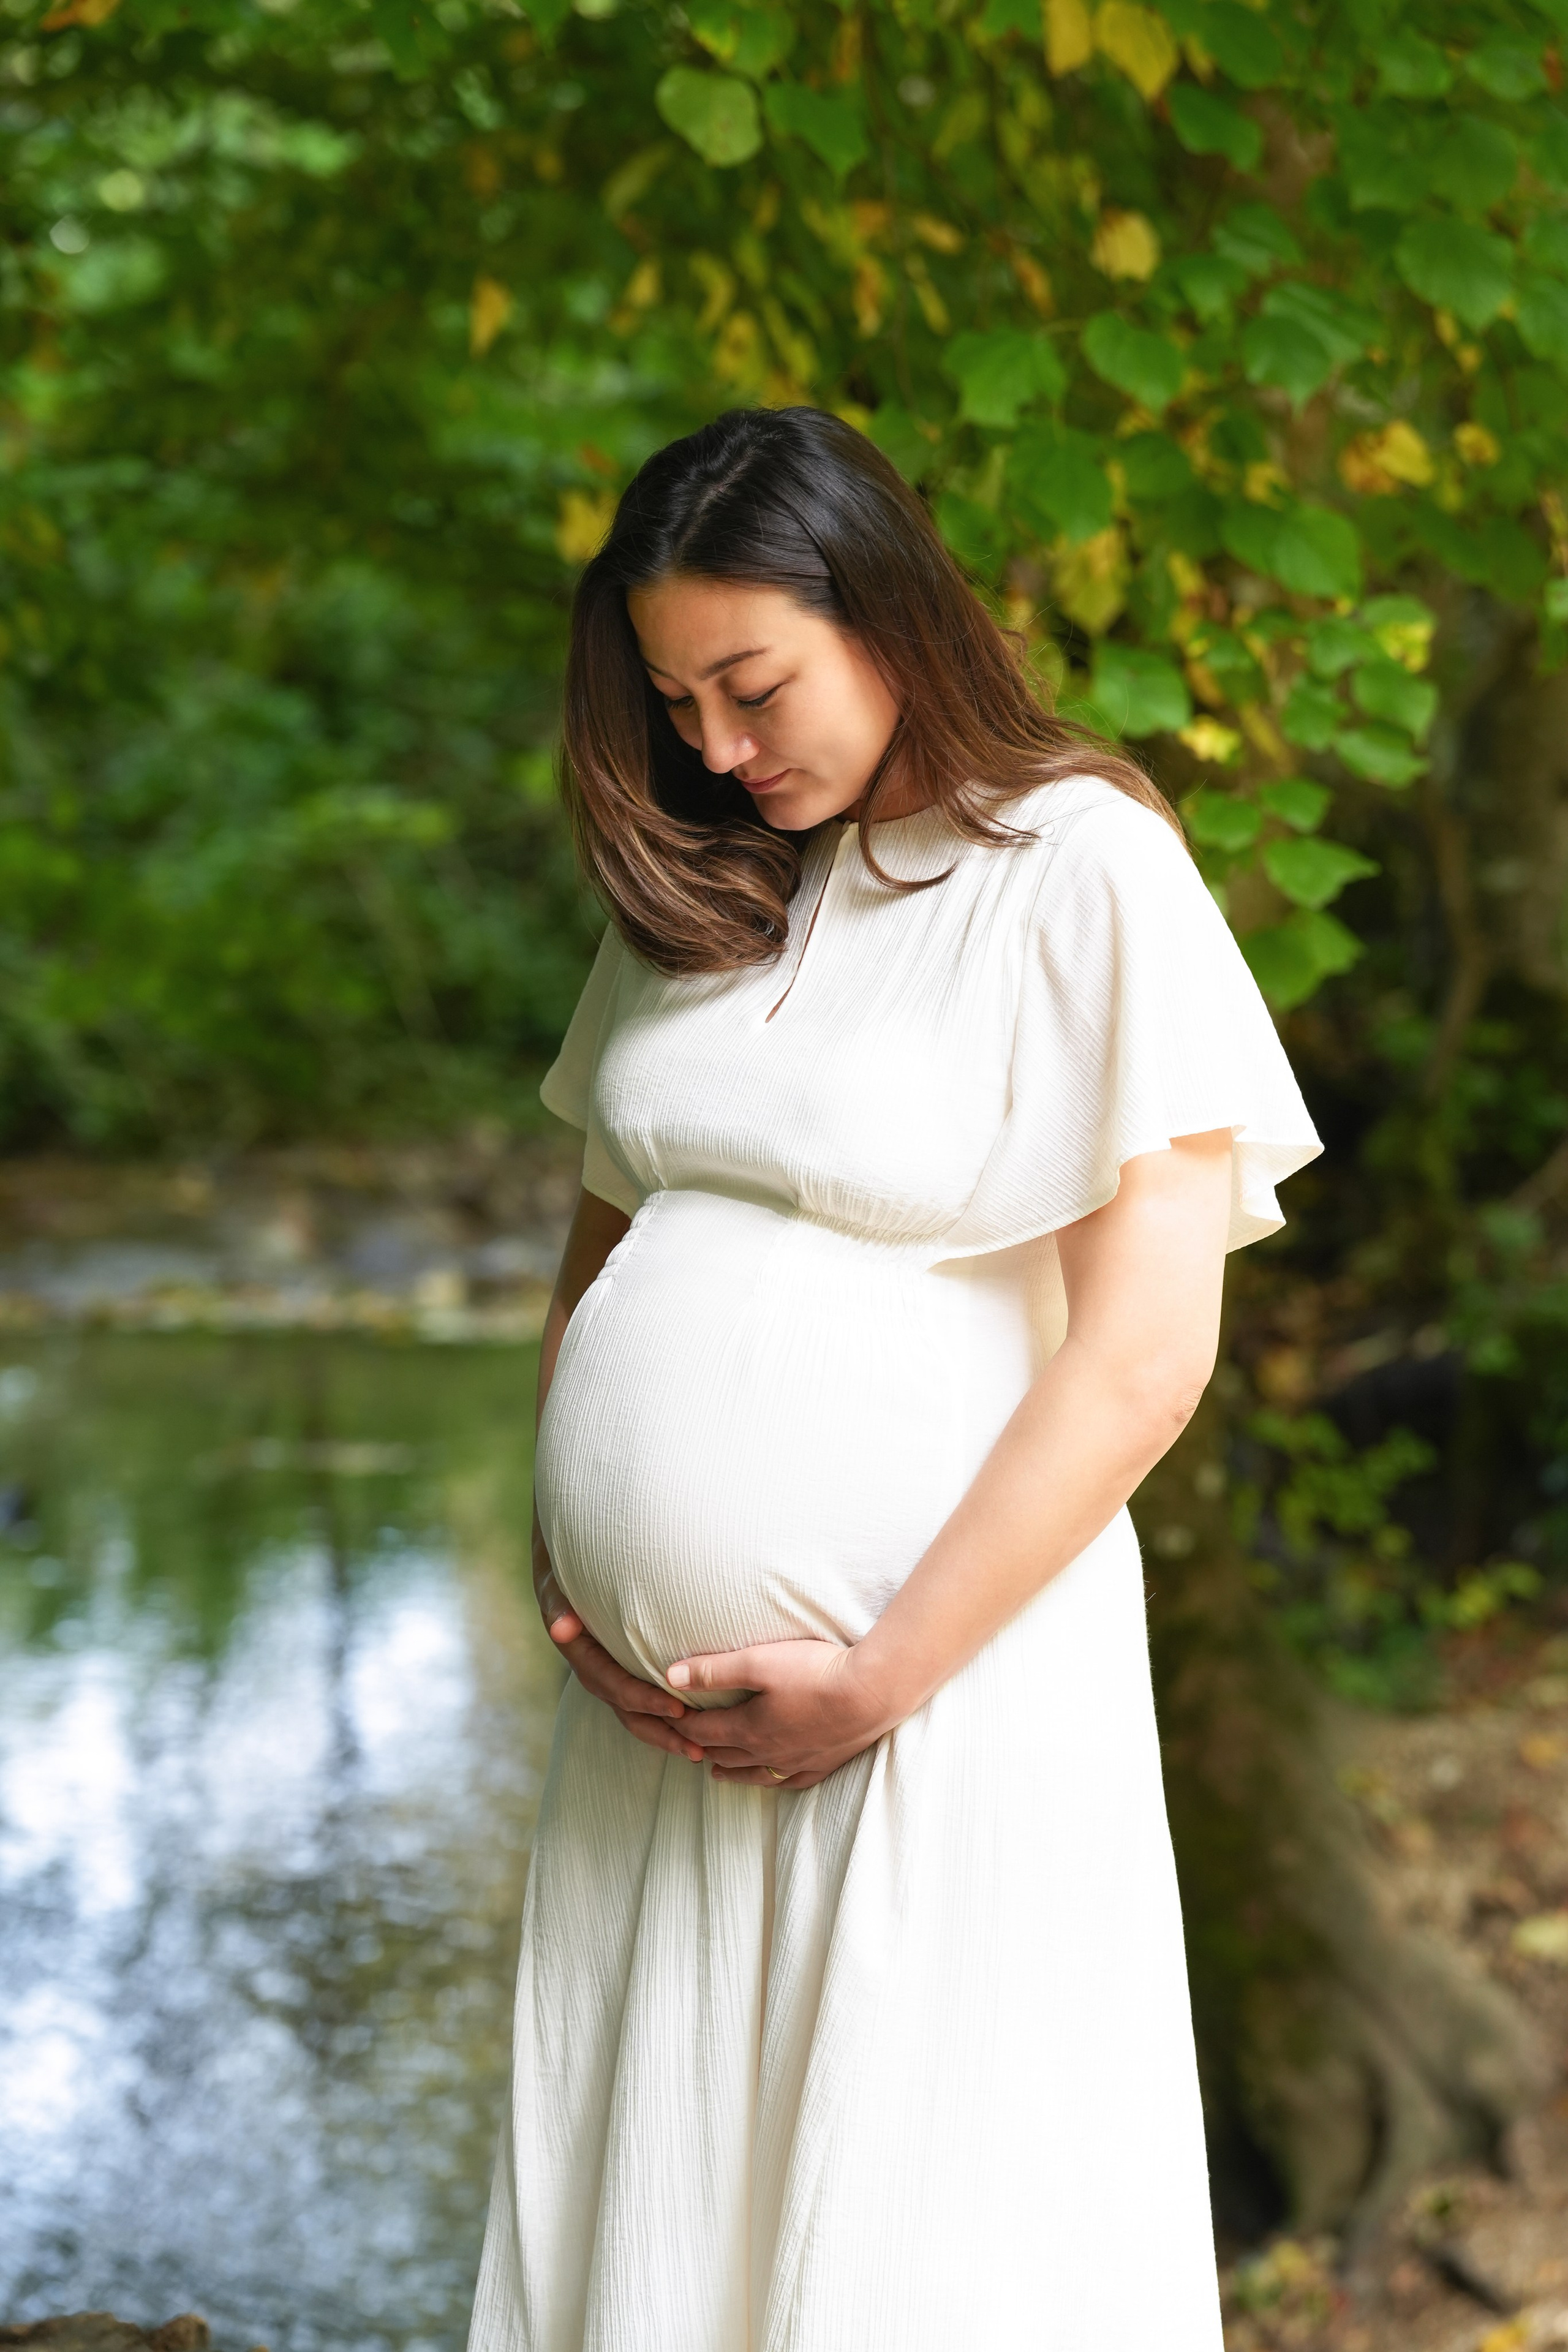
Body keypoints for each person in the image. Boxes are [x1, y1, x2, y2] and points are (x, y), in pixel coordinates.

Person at [468, 405, 1321, 2352]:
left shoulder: (1084, 869)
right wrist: (568, 1568)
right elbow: (602, 1249)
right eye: (674, 700)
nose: (712, 747)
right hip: (657, 1736)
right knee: (668, 2215)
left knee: (920, 2240)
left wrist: (881, 1674)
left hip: (937, 1699)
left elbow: (1142, 1359)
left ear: (887, 610)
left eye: (750, 686)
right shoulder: (705, 892)